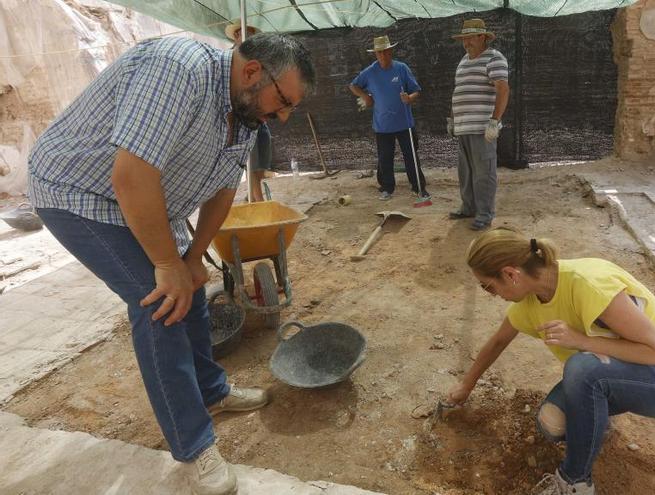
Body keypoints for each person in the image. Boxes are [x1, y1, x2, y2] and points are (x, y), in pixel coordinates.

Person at [28, 33, 315, 495]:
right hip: (78, 193)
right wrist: (167, 265)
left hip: (146, 202)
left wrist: (193, 258)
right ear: (251, 71)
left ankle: (211, 393)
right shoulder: (177, 68)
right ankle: (193, 443)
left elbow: (223, 190)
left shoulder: (244, 115)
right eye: (282, 102)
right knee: (162, 302)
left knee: (190, 286)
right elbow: (131, 175)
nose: (281, 116)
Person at [446, 228, 655, 495]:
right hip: (635, 376)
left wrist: (581, 341)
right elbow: (498, 341)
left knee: (583, 369)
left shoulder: (588, 283)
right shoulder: (530, 303)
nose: (490, 294)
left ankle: (574, 482)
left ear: (510, 273)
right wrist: (466, 386)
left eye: (488, 286)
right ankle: (598, 427)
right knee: (552, 423)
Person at [349, 35, 429, 201]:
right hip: (382, 125)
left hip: (405, 123)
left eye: (386, 51)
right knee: (385, 158)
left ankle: (419, 187)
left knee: (411, 156)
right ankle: (386, 188)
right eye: (379, 53)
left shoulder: (401, 68)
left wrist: (409, 98)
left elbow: (416, 91)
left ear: (391, 51)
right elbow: (353, 85)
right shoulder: (370, 72)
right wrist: (365, 96)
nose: (383, 55)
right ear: (375, 54)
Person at [447, 19, 510, 231]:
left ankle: (485, 214)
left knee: (484, 173)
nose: (466, 42)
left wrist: (494, 121)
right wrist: (453, 119)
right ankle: (469, 208)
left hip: (482, 129)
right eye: (464, 38)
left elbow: (503, 89)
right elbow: (459, 92)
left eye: (471, 37)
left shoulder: (494, 58)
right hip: (463, 128)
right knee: (465, 173)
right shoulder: (463, 61)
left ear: (483, 37)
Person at [225, 21, 274, 202]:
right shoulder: (229, 58)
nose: (245, 36)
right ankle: (257, 199)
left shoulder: (261, 59)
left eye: (249, 33)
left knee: (263, 155)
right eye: (241, 33)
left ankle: (254, 193)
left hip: (259, 117)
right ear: (236, 36)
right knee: (251, 158)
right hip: (242, 118)